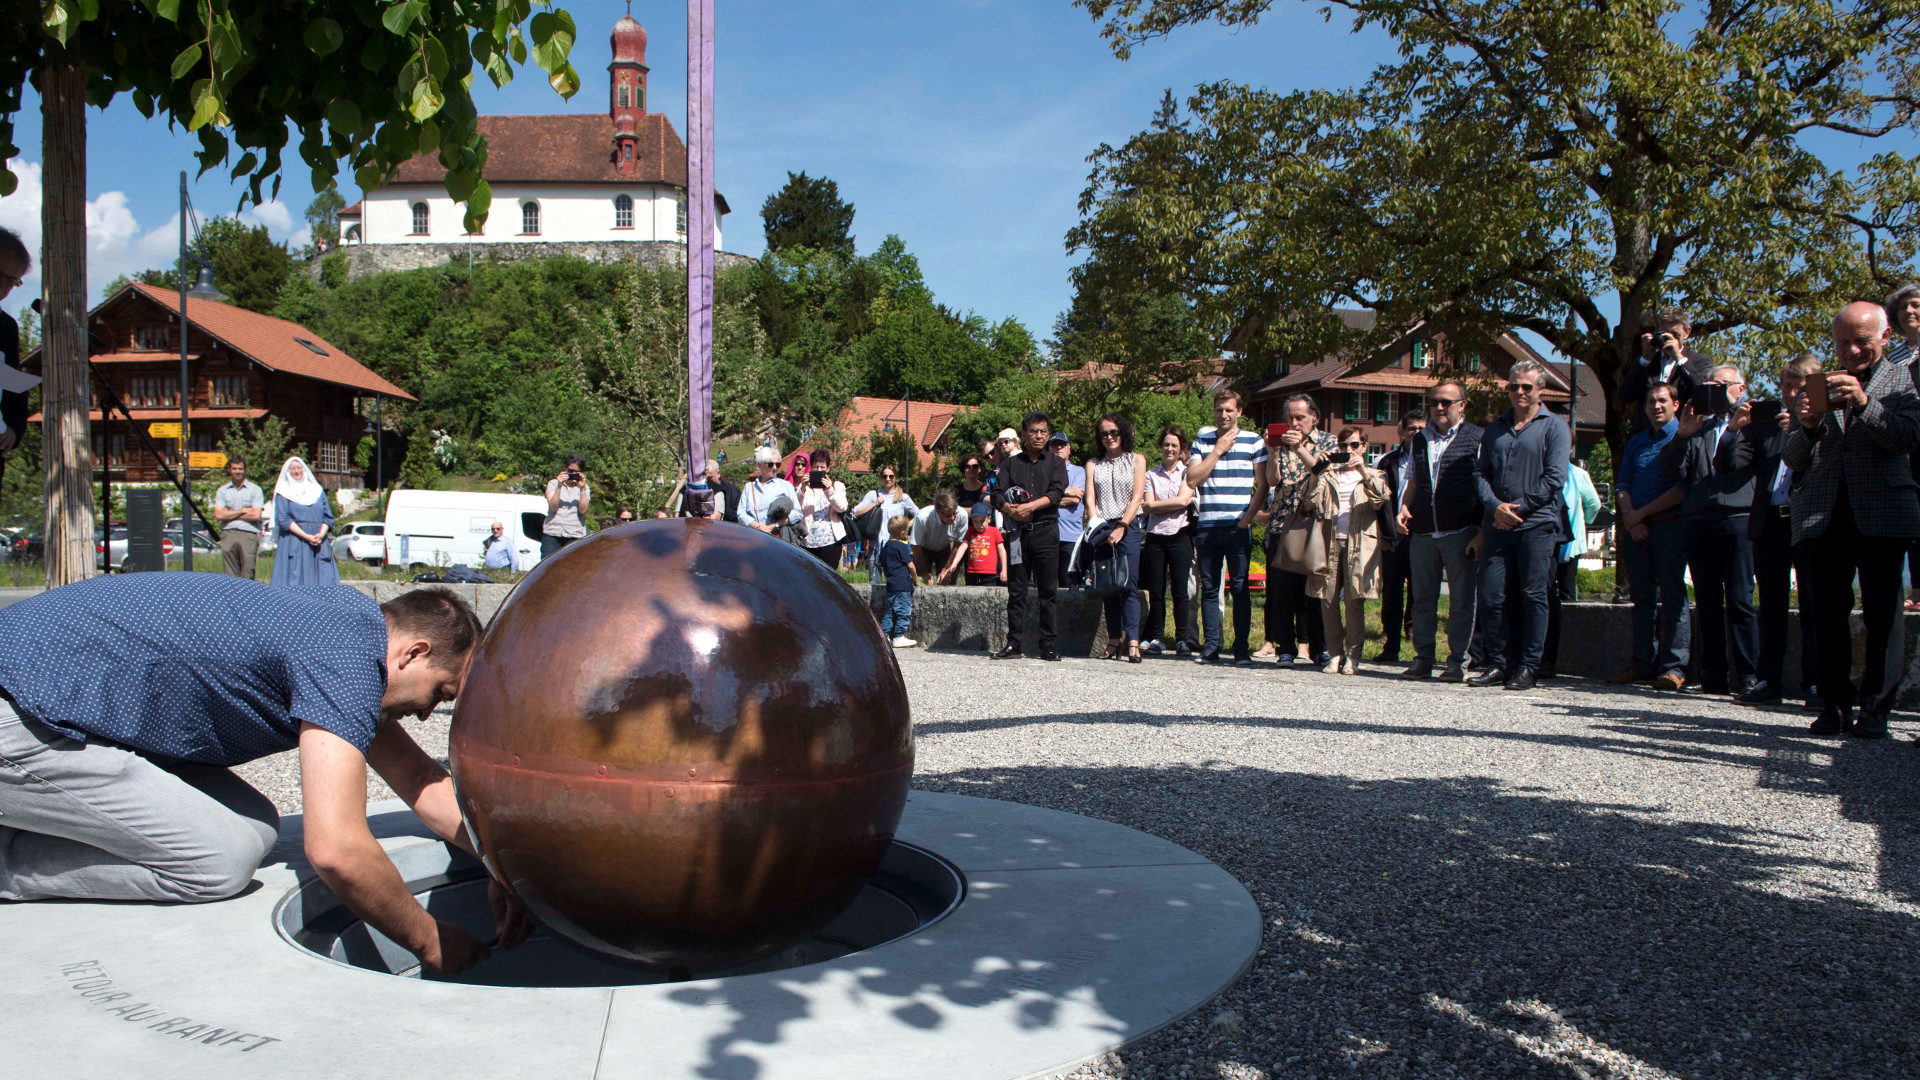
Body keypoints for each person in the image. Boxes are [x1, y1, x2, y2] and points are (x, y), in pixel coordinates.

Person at [0, 577, 522, 977]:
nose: (430, 714)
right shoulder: (345, 657)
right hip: (18, 707)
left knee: (253, 824)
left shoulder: (344, 628)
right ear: (414, 653)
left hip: (48, 698)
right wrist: (429, 940)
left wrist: (504, 869)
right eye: (441, 693)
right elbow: (336, 849)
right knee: (216, 859)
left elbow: (417, 777)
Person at [1785, 301, 1920, 739]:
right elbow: (1792, 457)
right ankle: (1835, 704)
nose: (1852, 351)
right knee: (1825, 614)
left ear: (1884, 336)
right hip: (1824, 513)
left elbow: (1907, 439)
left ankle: (1876, 708)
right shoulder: (1818, 384)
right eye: (1843, 342)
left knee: (1883, 613)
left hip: (1882, 511)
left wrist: (1864, 404)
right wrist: (1806, 428)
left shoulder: (1905, 379)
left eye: (1861, 341)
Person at [1659, 364, 1763, 696]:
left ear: (1741, 388)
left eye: (1722, 385)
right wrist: (1682, 434)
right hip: (1699, 519)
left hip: (1736, 516)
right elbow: (1670, 469)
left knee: (1740, 598)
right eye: (1710, 385)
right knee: (1706, 600)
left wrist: (1734, 428)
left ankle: (1747, 675)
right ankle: (1713, 675)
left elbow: (1742, 462)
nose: (1715, 390)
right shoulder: (1698, 426)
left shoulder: (1753, 423)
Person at [1469, 360, 1570, 690]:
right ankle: (1498, 662)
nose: (1519, 392)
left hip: (1536, 525)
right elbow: (1480, 472)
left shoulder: (1554, 426)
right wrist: (1495, 506)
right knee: (1491, 595)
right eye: (1514, 386)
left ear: (1540, 389)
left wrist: (1520, 508)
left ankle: (1529, 665)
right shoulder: (1496, 428)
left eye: (1527, 386)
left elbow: (1554, 478)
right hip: (1497, 525)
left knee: (1533, 595)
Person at [1741, 356, 1823, 709]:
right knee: (1770, 606)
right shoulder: (1768, 428)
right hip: (1771, 519)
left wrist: (1803, 427)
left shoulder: (1826, 421)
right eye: (1787, 386)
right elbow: (1731, 462)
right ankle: (1768, 680)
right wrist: (1736, 427)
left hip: (1807, 519)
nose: (1792, 393)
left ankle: (1817, 683)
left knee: (1813, 605)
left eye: (1800, 386)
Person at [1397, 382, 1484, 682]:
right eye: (1435, 402)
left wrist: (1481, 531)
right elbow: (1412, 481)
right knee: (1421, 598)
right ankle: (1423, 658)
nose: (1439, 408)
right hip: (1422, 531)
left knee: (1461, 600)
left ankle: (1458, 661)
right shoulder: (1419, 440)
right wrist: (1403, 507)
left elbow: (1484, 487)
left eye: (1446, 402)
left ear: (1463, 405)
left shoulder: (1476, 438)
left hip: (1460, 529)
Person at [1608, 384, 1691, 690]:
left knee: (1673, 596)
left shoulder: (1682, 437)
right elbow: (1623, 482)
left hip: (1669, 525)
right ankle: (1642, 663)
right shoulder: (1637, 442)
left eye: (1662, 400)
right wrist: (1631, 518)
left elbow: (1681, 488)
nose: (1656, 406)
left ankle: (1674, 667)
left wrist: (1641, 515)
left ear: (1675, 404)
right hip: (1636, 529)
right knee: (1641, 598)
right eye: (1651, 401)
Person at [1255, 394, 1336, 667]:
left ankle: (1318, 648)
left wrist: (1300, 447)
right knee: (1281, 592)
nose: (1294, 422)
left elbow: (1322, 471)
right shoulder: (1279, 444)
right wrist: (1274, 451)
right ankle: (1285, 647)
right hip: (1281, 524)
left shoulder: (1327, 441)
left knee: (1314, 591)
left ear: (1314, 416)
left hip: (1314, 525)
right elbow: (1273, 480)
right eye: (1289, 417)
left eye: (1300, 417)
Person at [1303, 427, 1391, 674]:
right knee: (1327, 601)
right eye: (1343, 446)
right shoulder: (1329, 473)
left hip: (1359, 544)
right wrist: (1317, 470)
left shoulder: (1374, 473)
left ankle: (1353, 658)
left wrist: (1362, 469)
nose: (1349, 451)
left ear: (1364, 446)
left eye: (1354, 445)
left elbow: (1381, 497)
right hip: (1329, 542)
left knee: (1354, 603)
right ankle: (1334, 655)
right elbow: (1308, 501)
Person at [992, 412, 1069, 662]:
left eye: (1043, 432)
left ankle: (1048, 644)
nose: (1039, 436)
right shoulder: (1011, 464)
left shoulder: (1056, 463)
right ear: (1024, 435)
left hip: (1046, 532)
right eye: (1034, 431)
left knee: (1048, 591)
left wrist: (1030, 507)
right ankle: (1014, 643)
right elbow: (996, 494)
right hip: (1018, 535)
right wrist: (1010, 509)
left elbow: (1057, 494)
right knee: (1016, 592)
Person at [1085, 414, 1147, 662]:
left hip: (1128, 524)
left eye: (1113, 432)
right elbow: (1090, 499)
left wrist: (1122, 525)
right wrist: (1097, 525)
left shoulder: (1136, 460)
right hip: (1102, 525)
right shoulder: (1093, 463)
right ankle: (1113, 639)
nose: (1109, 437)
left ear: (1123, 433)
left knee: (1129, 583)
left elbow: (1137, 497)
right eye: (1104, 434)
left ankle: (1132, 640)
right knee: (1109, 585)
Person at [1540, 451, 1601, 678]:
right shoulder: (1577, 473)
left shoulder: (1574, 473)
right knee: (1564, 594)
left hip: (1564, 539)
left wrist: (1586, 520)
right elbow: (1593, 503)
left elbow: (1594, 503)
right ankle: (1565, 648)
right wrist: (1586, 520)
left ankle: (1558, 649)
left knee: (1553, 594)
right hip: (1570, 539)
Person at [1373, 414, 1424, 662]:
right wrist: (1383, 533)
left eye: (1421, 429)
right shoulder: (1386, 461)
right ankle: (1391, 645)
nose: (1415, 432)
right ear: (1401, 432)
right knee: (1392, 592)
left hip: (1421, 534)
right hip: (1393, 536)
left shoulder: (1429, 459)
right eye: (1411, 428)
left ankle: (1418, 647)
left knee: (1420, 592)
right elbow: (1379, 502)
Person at [1141, 426, 1196, 655]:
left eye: (1174, 445)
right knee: (1157, 591)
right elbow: (1146, 506)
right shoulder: (1150, 475)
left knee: (1180, 590)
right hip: (1155, 536)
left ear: (1181, 448)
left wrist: (1156, 506)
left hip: (1180, 535)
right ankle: (1157, 637)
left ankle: (1182, 639)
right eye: (1166, 444)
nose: (1169, 449)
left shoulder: (1187, 473)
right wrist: (1170, 504)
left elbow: (1183, 502)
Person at [1618, 305, 1714, 434]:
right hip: (1647, 436)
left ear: (1687, 332)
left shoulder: (1699, 361)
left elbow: (1703, 396)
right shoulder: (1647, 362)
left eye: (1675, 334)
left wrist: (1679, 359)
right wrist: (1645, 358)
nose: (1669, 339)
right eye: (1664, 334)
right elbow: (1625, 396)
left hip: (1682, 436)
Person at [1883, 283, 1920, 610]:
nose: (1909, 311)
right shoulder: (1893, 356)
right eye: (1903, 307)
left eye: (1915, 304)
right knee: (1912, 518)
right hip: (1904, 443)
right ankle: (1917, 591)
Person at [270, 456, 339, 588]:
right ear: (288, 472)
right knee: (295, 581)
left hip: (319, 542)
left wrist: (321, 534)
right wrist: (307, 536)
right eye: (293, 469)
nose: (297, 471)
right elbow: (283, 520)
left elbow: (328, 517)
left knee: (324, 582)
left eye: (299, 467)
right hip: (295, 541)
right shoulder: (284, 492)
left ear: (304, 469)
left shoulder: (317, 491)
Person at [0, 227, 31, 458]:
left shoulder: (6, 327)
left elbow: (14, 388)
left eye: (12, 280)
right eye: (1, 275)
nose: (4, 287)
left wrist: (13, 429)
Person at [794, 448, 851, 568]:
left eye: (822, 467)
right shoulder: (804, 487)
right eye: (816, 467)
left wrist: (829, 490)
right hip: (807, 541)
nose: (819, 470)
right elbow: (795, 508)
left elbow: (842, 507)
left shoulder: (837, 486)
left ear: (828, 468)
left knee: (829, 578)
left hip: (830, 541)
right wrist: (802, 489)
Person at [212, 457, 265, 580]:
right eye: (234, 468)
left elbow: (256, 515)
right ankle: (232, 598)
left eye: (240, 469)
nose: (237, 471)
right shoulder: (222, 491)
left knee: (248, 571)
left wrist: (229, 513)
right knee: (230, 575)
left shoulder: (255, 490)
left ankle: (249, 598)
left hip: (248, 534)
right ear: (229, 470)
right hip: (228, 534)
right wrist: (243, 510)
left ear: (245, 470)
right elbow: (218, 515)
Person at [1051, 434, 1089, 590]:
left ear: (1069, 449)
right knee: (1048, 585)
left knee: (1069, 584)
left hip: (1071, 536)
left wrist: (1048, 500)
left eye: (1062, 445)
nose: (1059, 448)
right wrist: (1067, 491)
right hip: (1049, 535)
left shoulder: (1078, 471)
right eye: (1055, 445)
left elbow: (1075, 498)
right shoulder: (1045, 471)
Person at [877, 514, 919, 648]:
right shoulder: (901, 546)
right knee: (903, 611)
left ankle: (883, 636)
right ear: (902, 532)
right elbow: (910, 565)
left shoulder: (885, 547)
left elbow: (881, 565)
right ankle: (899, 636)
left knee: (890, 612)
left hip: (891, 585)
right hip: (902, 585)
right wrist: (915, 578)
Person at [911, 492, 970, 584]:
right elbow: (915, 546)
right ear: (937, 511)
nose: (953, 518)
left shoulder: (962, 515)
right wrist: (923, 572)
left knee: (946, 580)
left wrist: (946, 568)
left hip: (945, 548)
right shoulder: (922, 517)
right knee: (922, 582)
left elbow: (958, 544)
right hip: (924, 549)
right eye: (948, 515)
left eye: (954, 513)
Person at [738, 446, 799, 534]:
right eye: (770, 464)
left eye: (777, 464)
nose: (774, 467)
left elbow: (797, 513)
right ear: (760, 465)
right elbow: (741, 513)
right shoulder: (749, 487)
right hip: (753, 535)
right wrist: (758, 526)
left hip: (777, 536)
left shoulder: (786, 486)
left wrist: (773, 526)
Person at [541, 454, 592, 558]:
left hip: (574, 534)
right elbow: (552, 508)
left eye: (576, 472)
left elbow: (583, 510)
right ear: (564, 467)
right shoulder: (553, 484)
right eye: (570, 471)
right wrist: (559, 486)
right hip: (553, 533)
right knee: (547, 566)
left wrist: (582, 489)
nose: (573, 474)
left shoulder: (584, 487)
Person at [963, 502, 1007, 586]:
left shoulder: (995, 531)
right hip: (972, 572)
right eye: (975, 522)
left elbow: (1002, 551)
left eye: (982, 521)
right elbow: (963, 546)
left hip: (990, 574)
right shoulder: (970, 531)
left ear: (989, 519)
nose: (979, 525)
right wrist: (954, 563)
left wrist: (1004, 570)